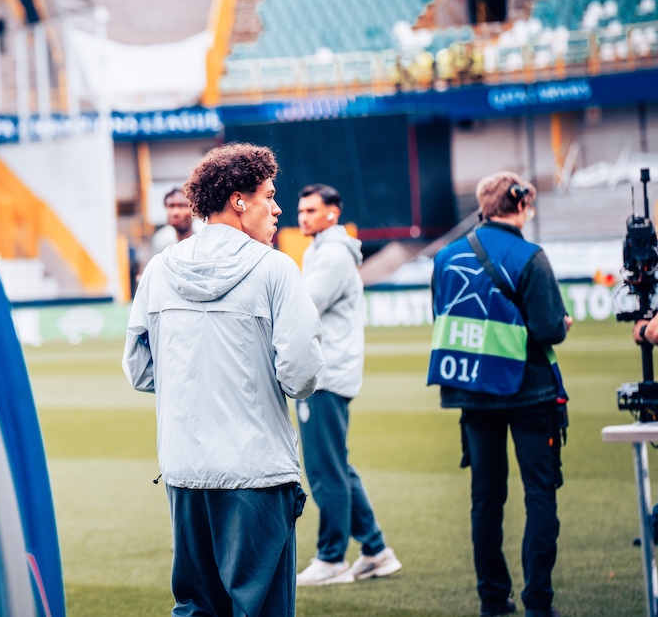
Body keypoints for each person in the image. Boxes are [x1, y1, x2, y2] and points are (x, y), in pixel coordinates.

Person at [123, 142, 323, 617]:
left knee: (196, 607)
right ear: (238, 201)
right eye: (269, 196)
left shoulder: (159, 269)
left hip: (184, 469)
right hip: (256, 471)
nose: (277, 208)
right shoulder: (276, 268)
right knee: (260, 607)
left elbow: (139, 368)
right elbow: (300, 374)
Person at [428, 172, 571, 617]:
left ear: (483, 205)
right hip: (530, 391)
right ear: (521, 205)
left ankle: (493, 599)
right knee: (539, 495)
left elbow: (442, 315)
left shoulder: (445, 257)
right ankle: (538, 603)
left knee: (486, 500)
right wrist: (561, 324)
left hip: (473, 389)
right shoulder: (531, 256)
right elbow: (548, 329)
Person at [293, 184, 402, 586]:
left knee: (325, 469)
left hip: (325, 374)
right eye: (301, 210)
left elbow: (302, 308)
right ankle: (376, 550)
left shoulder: (333, 255)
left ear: (332, 213)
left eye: (311, 210)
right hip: (329, 371)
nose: (302, 217)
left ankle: (332, 559)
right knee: (336, 465)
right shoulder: (322, 250)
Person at [151, 187, 198, 256]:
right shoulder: (161, 241)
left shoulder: (202, 240)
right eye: (171, 206)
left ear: (194, 210)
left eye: (182, 206)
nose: (175, 212)